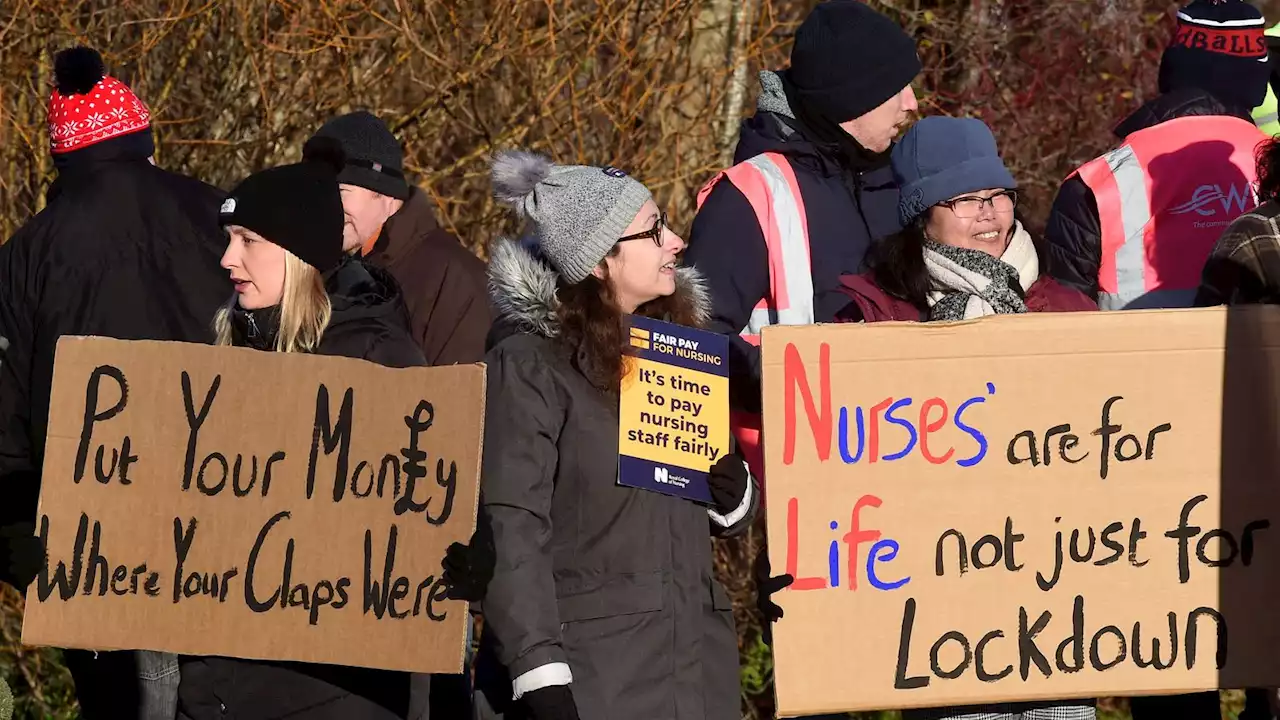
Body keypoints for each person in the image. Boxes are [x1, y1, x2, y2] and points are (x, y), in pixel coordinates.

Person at [760, 116, 1096, 720]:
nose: (988, 213)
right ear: (922, 215)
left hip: (1055, 610)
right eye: (964, 200)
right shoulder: (872, 323)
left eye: (996, 195)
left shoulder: (1069, 308)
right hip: (939, 621)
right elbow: (836, 474)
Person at [177, 139, 486, 719]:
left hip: (335, 691)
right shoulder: (223, 350)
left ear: (297, 254)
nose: (227, 259)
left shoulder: (377, 362)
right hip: (219, 689)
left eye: (248, 241)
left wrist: (467, 547)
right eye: (227, 239)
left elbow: (428, 509)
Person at [473, 150, 757, 720]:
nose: (676, 241)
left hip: (694, 675)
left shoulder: (675, 353)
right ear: (600, 260)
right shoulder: (531, 366)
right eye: (653, 231)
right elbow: (512, 525)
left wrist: (733, 496)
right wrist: (539, 675)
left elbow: (684, 513)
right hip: (592, 681)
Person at [0, 46, 229, 719]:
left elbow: (3, 417)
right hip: (227, 524)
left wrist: (19, 542)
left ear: (63, 160)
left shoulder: (24, 256)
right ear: (143, 141)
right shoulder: (224, 220)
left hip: (89, 551)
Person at [685, 0, 920, 482]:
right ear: (849, 99)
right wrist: (803, 382)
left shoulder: (901, 180)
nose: (912, 103)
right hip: (802, 486)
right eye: (895, 89)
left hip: (916, 466)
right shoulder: (750, 195)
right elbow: (694, 345)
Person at [1044, 0, 1271, 311]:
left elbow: (1061, 328)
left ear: (1172, 71)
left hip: (1134, 358)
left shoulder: (1095, 183)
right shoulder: (1272, 167)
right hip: (1259, 359)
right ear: (1257, 81)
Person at [306, 111, 491, 366]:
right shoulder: (325, 268)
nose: (325, 206)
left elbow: (460, 398)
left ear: (383, 193)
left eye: (340, 191)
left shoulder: (456, 282)